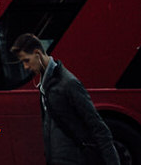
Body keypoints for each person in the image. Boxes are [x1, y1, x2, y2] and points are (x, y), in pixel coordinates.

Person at [11, 34, 116, 165]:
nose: (26, 67)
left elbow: (98, 127)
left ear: (37, 53)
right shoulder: (46, 84)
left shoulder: (68, 83)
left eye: (26, 60)